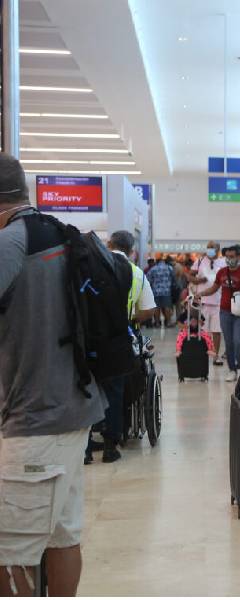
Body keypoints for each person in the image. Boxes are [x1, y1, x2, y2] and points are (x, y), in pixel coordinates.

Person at [0, 153, 107, 596]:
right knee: (63, 534)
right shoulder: (59, 235)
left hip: (35, 419)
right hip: (72, 408)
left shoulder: (11, 243)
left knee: (11, 551)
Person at [85, 230, 158, 466]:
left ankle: (85, 448)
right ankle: (110, 445)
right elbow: (148, 311)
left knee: (88, 389)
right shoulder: (136, 273)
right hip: (119, 338)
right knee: (115, 391)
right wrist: (130, 318)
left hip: (88, 338)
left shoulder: (88, 268)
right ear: (132, 250)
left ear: (109, 244)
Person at [199, 245, 240, 381]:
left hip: (239, 313)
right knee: (228, 342)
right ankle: (232, 370)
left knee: (237, 341)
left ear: (239, 256)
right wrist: (200, 294)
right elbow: (213, 288)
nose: (229, 259)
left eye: (232, 256)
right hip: (224, 312)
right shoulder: (222, 272)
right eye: (227, 257)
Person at [188, 241, 226, 365]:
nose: (210, 250)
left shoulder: (223, 262)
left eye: (212, 248)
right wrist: (198, 280)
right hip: (202, 301)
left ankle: (215, 355)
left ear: (218, 249)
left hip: (218, 301)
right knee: (201, 330)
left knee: (216, 330)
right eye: (208, 247)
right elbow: (189, 276)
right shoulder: (199, 261)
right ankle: (201, 354)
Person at [146, 255, 176, 327]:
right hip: (166, 291)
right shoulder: (169, 268)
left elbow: (148, 280)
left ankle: (157, 323)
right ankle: (168, 322)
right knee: (167, 307)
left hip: (155, 291)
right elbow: (173, 279)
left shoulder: (153, 269)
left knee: (157, 307)